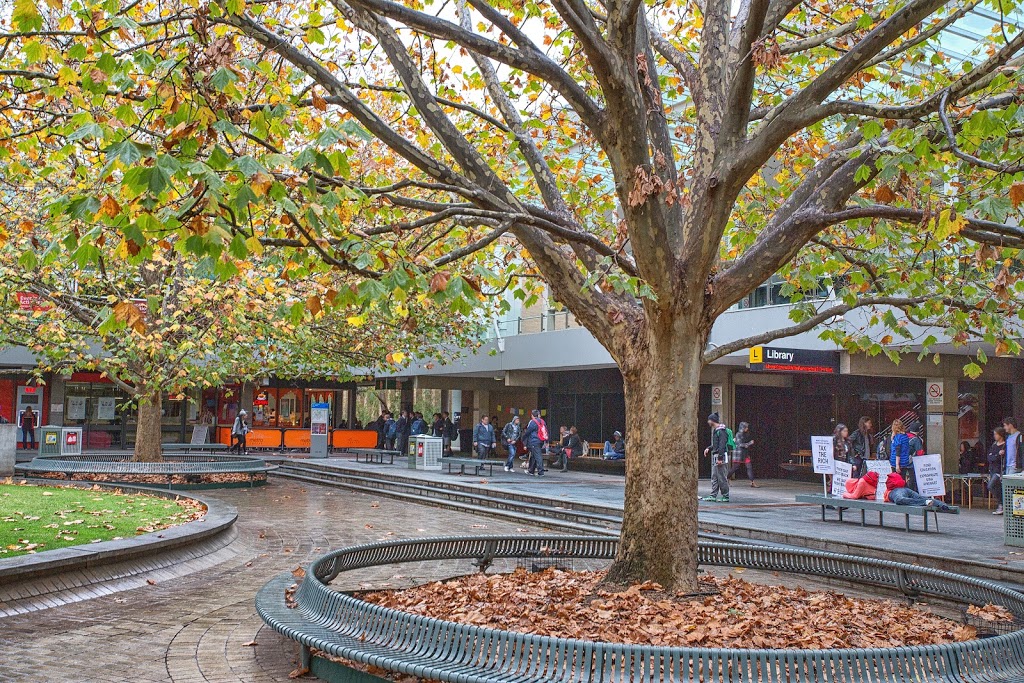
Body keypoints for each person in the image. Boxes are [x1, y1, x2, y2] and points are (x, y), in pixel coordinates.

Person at [885, 472, 954, 511]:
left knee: (900, 499)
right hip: (905, 489)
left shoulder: (891, 491)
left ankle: (926, 502)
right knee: (920, 497)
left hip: (896, 490)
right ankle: (941, 504)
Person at [702, 413, 730, 503]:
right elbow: (716, 444)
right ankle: (713, 495)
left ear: (712, 420)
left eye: (709, 420)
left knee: (721, 477)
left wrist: (720, 458)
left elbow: (722, 445)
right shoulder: (716, 430)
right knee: (714, 477)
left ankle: (725, 496)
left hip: (720, 457)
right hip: (716, 456)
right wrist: (709, 448)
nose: (708, 422)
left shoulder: (721, 431)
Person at [729, 421, 758, 487]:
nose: (747, 428)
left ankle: (752, 482)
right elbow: (740, 444)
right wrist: (750, 443)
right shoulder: (738, 434)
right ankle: (726, 478)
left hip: (745, 453)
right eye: (746, 427)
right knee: (735, 467)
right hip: (738, 453)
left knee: (749, 467)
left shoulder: (746, 434)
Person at [989, 427, 1008, 515]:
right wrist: (996, 455)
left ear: (1000, 435)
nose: (994, 436)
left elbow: (1002, 458)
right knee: (997, 487)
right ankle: (1001, 504)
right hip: (992, 469)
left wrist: (995, 456)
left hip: (999, 470)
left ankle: (1001, 503)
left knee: (991, 485)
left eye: (996, 434)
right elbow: (989, 457)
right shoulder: (994, 445)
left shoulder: (1005, 445)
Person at [523, 409, 548, 476]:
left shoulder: (533, 422)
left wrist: (524, 438)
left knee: (538, 456)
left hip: (534, 441)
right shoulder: (543, 421)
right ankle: (531, 470)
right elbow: (546, 431)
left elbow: (528, 431)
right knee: (533, 455)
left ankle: (541, 471)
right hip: (541, 440)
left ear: (532, 415)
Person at [889, 419, 913, 486]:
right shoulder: (905, 436)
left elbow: (898, 450)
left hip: (896, 462)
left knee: (896, 481)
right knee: (902, 479)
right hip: (905, 461)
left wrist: (897, 464)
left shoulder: (897, 437)